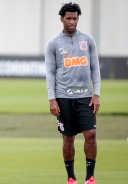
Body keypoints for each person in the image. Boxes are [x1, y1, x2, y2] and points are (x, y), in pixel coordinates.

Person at [45, 2, 101, 184]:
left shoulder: (88, 40)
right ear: (61, 19)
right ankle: (71, 178)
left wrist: (96, 93)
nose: (71, 21)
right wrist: (52, 99)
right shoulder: (53, 43)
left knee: (91, 134)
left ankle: (90, 177)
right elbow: (50, 73)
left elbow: (95, 69)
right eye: (68, 18)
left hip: (85, 96)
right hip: (63, 97)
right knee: (68, 138)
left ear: (78, 19)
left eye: (74, 18)